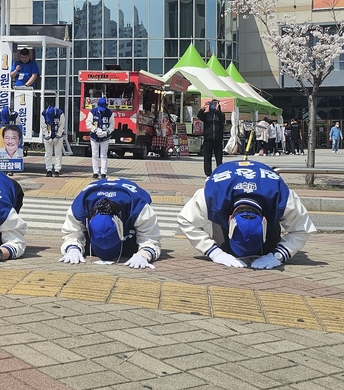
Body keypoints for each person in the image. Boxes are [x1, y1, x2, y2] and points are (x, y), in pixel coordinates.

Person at [177, 159, 317, 270]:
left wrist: (278, 255)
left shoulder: (282, 198)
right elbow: (185, 220)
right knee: (226, 250)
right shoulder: (212, 197)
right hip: (228, 185)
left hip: (263, 184)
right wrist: (214, 252)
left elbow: (302, 228)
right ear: (229, 218)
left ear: (265, 220)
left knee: (267, 250)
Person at [58, 178, 161, 269]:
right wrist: (72, 249)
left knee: (130, 249)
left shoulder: (139, 208)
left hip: (130, 208)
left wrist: (144, 254)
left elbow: (150, 238)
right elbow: (71, 234)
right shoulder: (79, 207)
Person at [197, 99, 226, 176]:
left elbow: (222, 119)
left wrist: (217, 110)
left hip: (218, 139)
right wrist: (203, 108)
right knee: (207, 157)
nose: (213, 105)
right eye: (212, 104)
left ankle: (219, 172)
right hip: (208, 139)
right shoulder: (207, 115)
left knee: (219, 158)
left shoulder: (220, 115)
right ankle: (208, 174)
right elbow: (200, 116)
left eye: (215, 104)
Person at [88, 96, 112, 179]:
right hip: (94, 136)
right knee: (94, 154)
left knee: (103, 154)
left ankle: (103, 172)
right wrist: (95, 130)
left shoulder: (109, 113)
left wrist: (107, 131)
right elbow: (88, 123)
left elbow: (112, 124)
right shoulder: (92, 112)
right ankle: (95, 172)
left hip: (105, 137)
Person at [41, 102, 65, 177]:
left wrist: (57, 136)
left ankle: (57, 170)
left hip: (58, 137)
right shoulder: (44, 114)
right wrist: (48, 137)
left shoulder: (60, 114)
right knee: (48, 153)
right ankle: (48, 170)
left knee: (58, 153)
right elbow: (43, 127)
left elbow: (61, 126)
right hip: (47, 137)